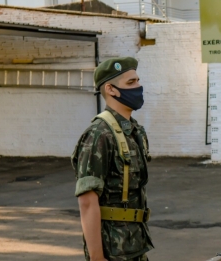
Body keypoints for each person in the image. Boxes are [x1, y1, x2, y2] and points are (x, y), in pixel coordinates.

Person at [71, 57, 153, 261]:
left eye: (138, 81)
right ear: (111, 89)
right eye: (131, 83)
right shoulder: (99, 134)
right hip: (112, 251)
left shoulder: (134, 132)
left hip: (134, 244)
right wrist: (97, 258)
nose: (139, 87)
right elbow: (87, 203)